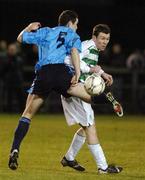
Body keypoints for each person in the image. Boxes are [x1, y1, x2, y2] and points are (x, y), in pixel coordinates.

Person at [8, 10, 83, 170]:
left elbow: (20, 38)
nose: (76, 27)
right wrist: (77, 73)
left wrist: (28, 27)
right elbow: (74, 52)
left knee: (27, 113)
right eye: (76, 24)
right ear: (70, 23)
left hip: (43, 74)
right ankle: (107, 100)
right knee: (87, 95)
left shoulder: (45, 31)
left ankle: (15, 148)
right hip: (61, 73)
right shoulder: (72, 34)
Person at [60, 24, 123, 174]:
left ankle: (69, 158)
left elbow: (90, 64)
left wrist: (102, 73)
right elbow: (68, 59)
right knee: (90, 127)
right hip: (77, 89)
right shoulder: (87, 46)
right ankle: (103, 167)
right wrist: (90, 70)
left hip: (80, 90)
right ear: (94, 37)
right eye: (102, 38)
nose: (105, 41)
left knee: (86, 126)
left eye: (107, 39)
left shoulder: (93, 48)